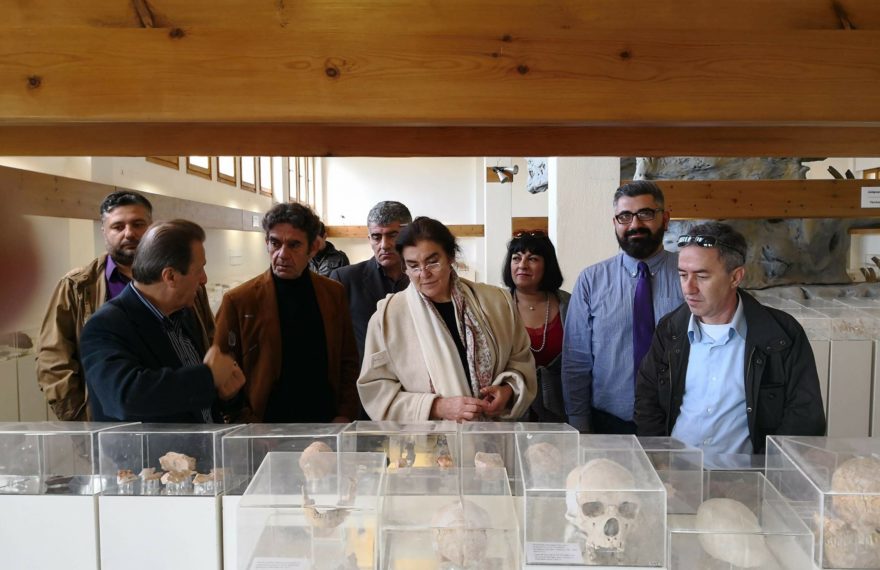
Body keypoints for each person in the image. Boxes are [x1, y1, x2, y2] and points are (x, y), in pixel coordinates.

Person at [635, 222, 826, 454]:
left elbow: (805, 417)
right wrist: (661, 458)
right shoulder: (669, 330)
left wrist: (768, 469)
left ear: (735, 277)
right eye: (683, 275)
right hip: (677, 470)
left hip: (748, 473)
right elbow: (647, 401)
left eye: (702, 276)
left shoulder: (781, 335)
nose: (689, 288)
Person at [36, 190, 214, 420]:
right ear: (104, 231)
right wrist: (80, 419)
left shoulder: (187, 282)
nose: (129, 233)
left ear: (151, 227)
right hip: (117, 419)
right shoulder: (77, 287)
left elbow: (206, 336)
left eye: (138, 224)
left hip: (183, 414)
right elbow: (53, 360)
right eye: (118, 226)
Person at [358, 216, 537, 421]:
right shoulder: (388, 318)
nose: (424, 273)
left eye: (432, 262)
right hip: (427, 439)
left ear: (450, 257)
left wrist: (508, 391)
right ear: (404, 267)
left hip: (492, 434)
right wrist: (437, 407)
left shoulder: (497, 303)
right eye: (413, 266)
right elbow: (376, 390)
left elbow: (521, 361)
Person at [79, 220, 243, 422]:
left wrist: (226, 394)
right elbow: (126, 397)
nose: (204, 279)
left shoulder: (184, 313)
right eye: (199, 270)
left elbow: (189, 401)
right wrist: (208, 376)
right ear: (170, 276)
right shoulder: (105, 326)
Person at [214, 202, 360, 423]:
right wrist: (246, 422)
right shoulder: (239, 300)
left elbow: (348, 360)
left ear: (313, 248)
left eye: (294, 245)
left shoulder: (333, 294)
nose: (282, 254)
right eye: (275, 243)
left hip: (325, 422)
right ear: (266, 243)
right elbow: (222, 371)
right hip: (264, 426)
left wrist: (345, 414)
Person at [562, 181, 683, 434]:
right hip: (609, 424)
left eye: (645, 214)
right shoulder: (591, 281)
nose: (635, 224)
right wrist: (579, 426)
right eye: (624, 216)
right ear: (614, 223)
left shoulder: (688, 276)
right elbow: (577, 360)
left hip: (680, 422)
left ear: (665, 219)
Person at [330, 201, 412, 365]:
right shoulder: (345, 279)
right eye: (376, 237)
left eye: (393, 235)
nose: (384, 245)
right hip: (364, 377)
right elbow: (331, 341)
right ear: (369, 239)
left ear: (409, 236)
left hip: (416, 376)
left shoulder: (424, 280)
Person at [502, 230, 568, 422]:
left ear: (547, 265)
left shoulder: (569, 304)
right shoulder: (497, 305)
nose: (522, 265)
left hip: (561, 411)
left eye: (532, 259)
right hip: (511, 411)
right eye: (516, 258)